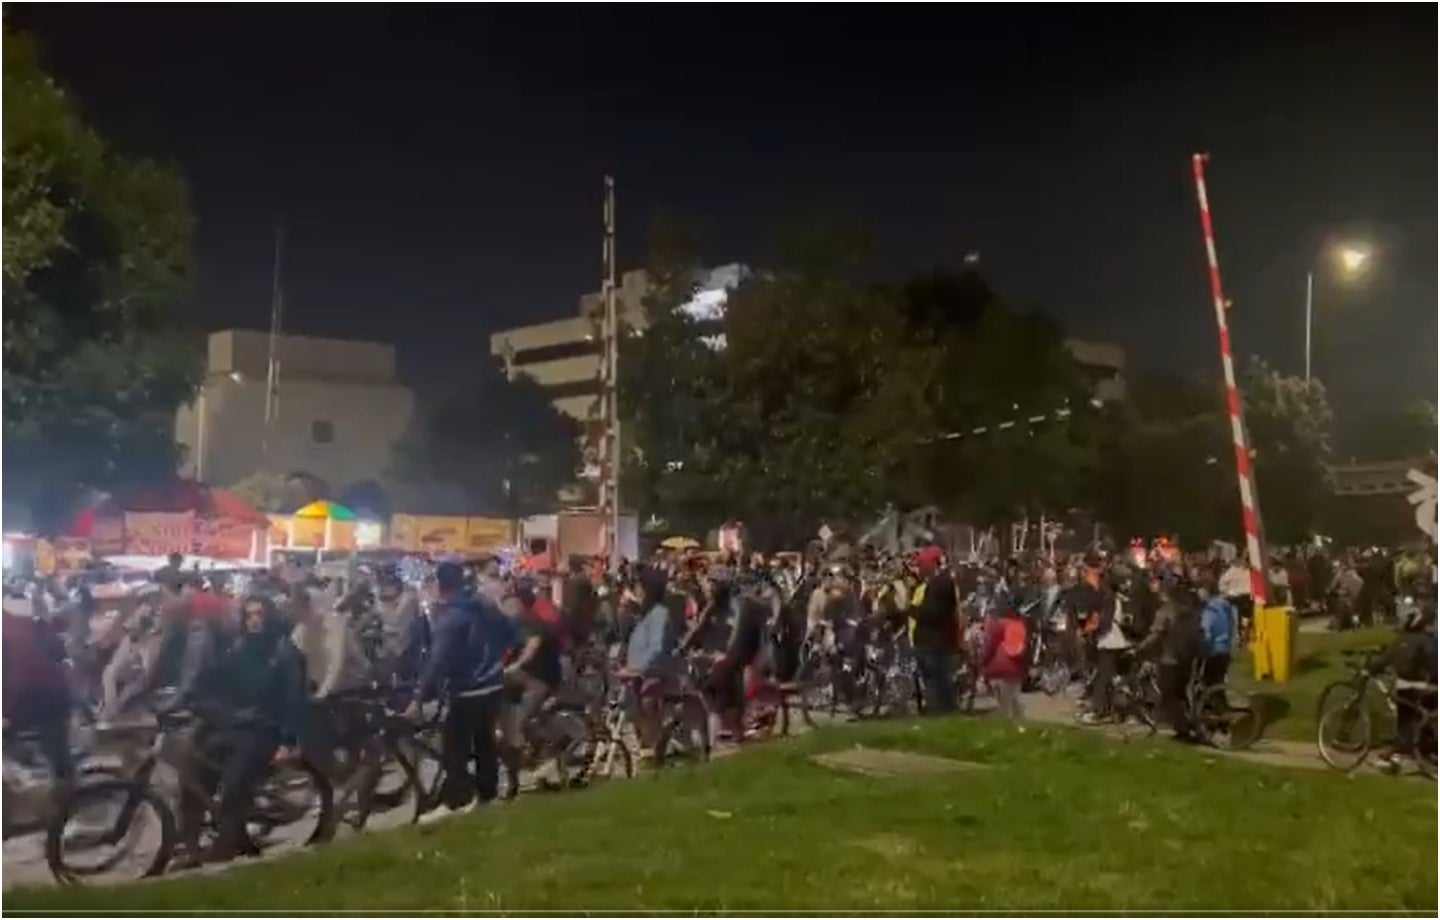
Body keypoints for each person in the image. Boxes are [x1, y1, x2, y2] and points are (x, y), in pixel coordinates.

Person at [175, 594, 309, 867]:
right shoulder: (239, 650)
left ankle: (226, 845)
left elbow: (295, 699)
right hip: (239, 725)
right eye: (249, 615)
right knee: (195, 770)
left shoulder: (283, 650)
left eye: (259, 614)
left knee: (236, 780)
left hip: (267, 729)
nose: (255, 620)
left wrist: (287, 741)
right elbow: (216, 678)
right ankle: (190, 843)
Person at [405, 561, 518, 822]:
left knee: (454, 748)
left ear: (439, 586)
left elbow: (437, 659)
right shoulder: (484, 608)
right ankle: (487, 797)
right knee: (485, 744)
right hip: (492, 685)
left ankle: (455, 801)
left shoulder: (450, 616)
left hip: (466, 689)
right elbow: (511, 635)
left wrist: (417, 699)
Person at [2, 589, 75, 805]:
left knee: (55, 750)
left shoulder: (10, 631)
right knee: (53, 748)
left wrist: (6, 713)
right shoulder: (20, 622)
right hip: (47, 692)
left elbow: (13, 678)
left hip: (40, 695)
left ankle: (64, 805)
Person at [1367, 600, 1437, 772]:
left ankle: (1401, 755)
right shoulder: (1427, 640)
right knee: (1421, 717)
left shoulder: (1409, 640)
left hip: (1413, 686)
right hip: (1425, 685)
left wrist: (1370, 668)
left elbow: (1389, 658)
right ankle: (1423, 750)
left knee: (1405, 717)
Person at [1136, 576, 1204, 740]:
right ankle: (1192, 725)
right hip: (1188, 658)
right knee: (1180, 695)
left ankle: (1184, 730)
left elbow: (1156, 634)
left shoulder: (1165, 611)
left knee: (1168, 697)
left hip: (1170, 658)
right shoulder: (1188, 609)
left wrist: (1140, 648)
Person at [910, 545, 958, 713]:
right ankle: (940, 711)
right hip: (929, 641)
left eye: (921, 564)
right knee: (934, 681)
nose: (919, 568)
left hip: (934, 642)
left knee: (939, 682)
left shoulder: (941, 583)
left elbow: (935, 613)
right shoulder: (935, 582)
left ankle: (945, 713)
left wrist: (912, 610)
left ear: (931, 564)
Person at [981, 599, 1027, 720]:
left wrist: (982, 663)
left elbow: (988, 647)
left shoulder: (993, 624)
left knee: (1003, 705)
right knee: (1014, 701)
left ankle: (1008, 724)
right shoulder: (1018, 625)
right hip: (1014, 668)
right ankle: (1019, 726)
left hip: (995, 667)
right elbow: (1022, 650)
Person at [1197, 580, 1236, 688]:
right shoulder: (1224, 603)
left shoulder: (1208, 611)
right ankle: (1220, 702)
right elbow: (1231, 621)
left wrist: (1201, 650)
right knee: (1219, 682)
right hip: (1225, 647)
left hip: (1214, 649)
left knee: (1210, 683)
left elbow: (1207, 632)